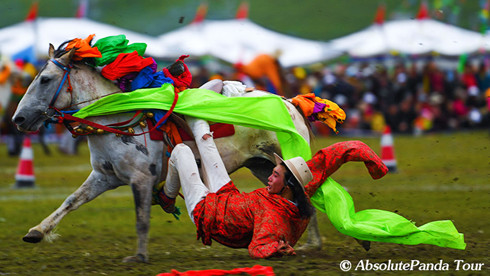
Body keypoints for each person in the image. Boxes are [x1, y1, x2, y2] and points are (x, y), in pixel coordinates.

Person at [155, 115, 388, 259]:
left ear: (287, 185)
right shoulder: (301, 187)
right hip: (227, 195)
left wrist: (278, 249)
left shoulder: (273, 216)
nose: (269, 177)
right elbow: (335, 154)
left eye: (275, 175)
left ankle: (167, 197)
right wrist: (373, 161)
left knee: (181, 151)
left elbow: (258, 247)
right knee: (203, 133)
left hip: (209, 214)